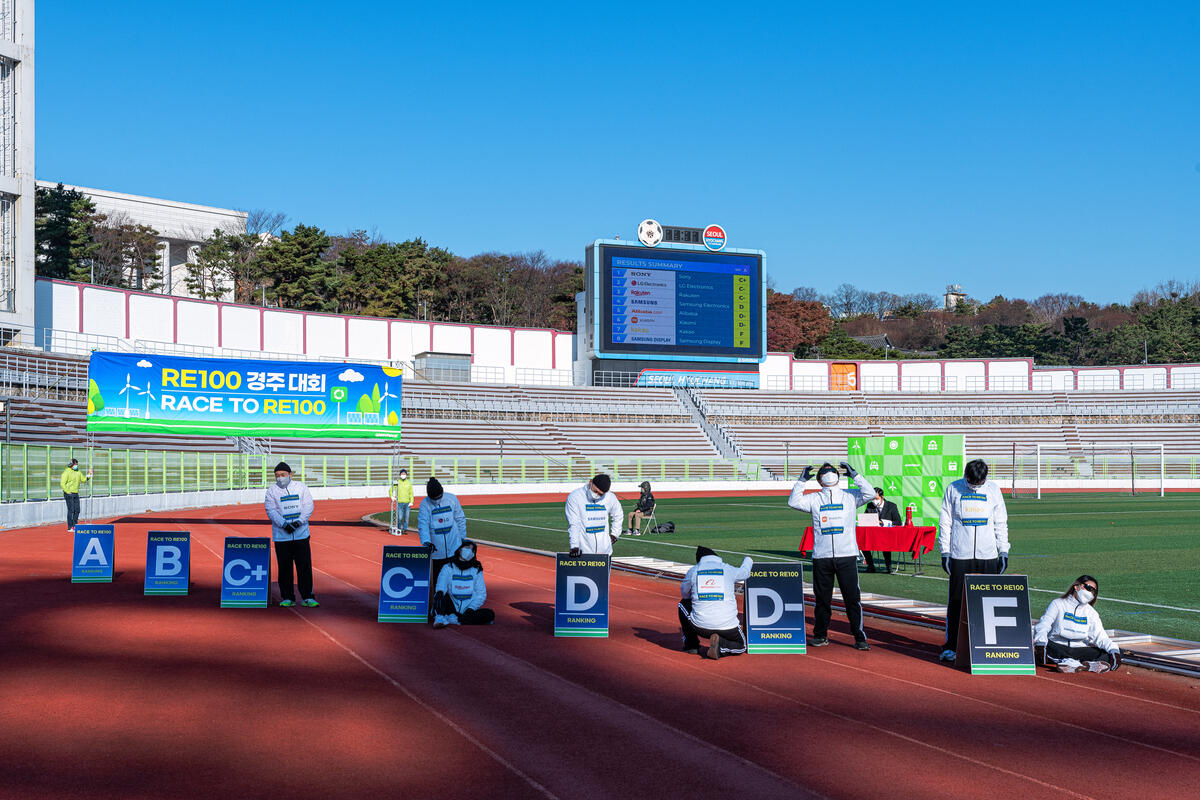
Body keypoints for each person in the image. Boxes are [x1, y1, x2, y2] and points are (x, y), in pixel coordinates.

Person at [788, 462, 874, 650]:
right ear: (819, 480)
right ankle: (820, 635)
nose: (828, 474)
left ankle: (860, 637)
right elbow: (793, 502)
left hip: (847, 556)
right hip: (822, 557)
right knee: (822, 600)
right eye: (825, 472)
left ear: (839, 476)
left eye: (831, 471)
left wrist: (856, 476)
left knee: (852, 599)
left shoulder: (850, 497)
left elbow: (870, 494)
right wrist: (802, 480)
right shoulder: (814, 499)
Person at [937, 458, 1010, 662]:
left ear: (985, 479)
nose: (975, 486)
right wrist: (945, 552)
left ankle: (990, 645)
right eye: (971, 482)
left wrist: (1003, 550)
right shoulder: (953, 489)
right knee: (957, 602)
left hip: (988, 554)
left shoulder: (993, 490)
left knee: (989, 601)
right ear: (966, 476)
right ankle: (951, 645)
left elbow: (1000, 522)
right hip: (961, 554)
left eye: (979, 483)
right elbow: (945, 522)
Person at [1033, 575, 1121, 673]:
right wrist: (1040, 644)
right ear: (1076, 586)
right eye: (1088, 588)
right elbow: (1044, 625)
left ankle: (1073, 663)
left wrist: (1114, 651)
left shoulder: (1091, 612)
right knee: (1043, 646)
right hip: (1057, 646)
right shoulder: (1058, 603)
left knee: (1113, 652)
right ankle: (1080, 663)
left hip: (1079, 650)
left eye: (1093, 591)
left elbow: (1101, 637)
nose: (1090, 593)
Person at [678, 546, 752, 659]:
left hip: (701, 628)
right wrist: (748, 560)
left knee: (683, 604)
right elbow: (745, 573)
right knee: (741, 646)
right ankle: (721, 646)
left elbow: (685, 594)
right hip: (728, 627)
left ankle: (691, 645)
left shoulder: (693, 571)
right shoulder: (728, 569)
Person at [264, 461, 318, 608]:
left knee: (304, 567)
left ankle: (307, 596)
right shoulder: (271, 491)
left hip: (301, 535)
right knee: (284, 568)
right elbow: (271, 510)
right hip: (282, 536)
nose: (280, 478)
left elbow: (308, 506)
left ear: (290, 475)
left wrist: (298, 522)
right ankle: (288, 597)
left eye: (282, 475)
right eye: (277, 476)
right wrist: (284, 524)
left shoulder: (301, 488)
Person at [418, 477, 467, 614]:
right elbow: (423, 524)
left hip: (454, 547)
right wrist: (426, 541)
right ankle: (437, 608)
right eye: (434, 498)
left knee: (453, 580)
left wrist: (462, 539)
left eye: (439, 497)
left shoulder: (452, 499)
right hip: (437, 550)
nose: (437, 500)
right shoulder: (425, 504)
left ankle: (454, 607)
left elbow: (460, 519)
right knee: (438, 581)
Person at [431, 540, 495, 628]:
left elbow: (481, 594)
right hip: (451, 605)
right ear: (459, 550)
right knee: (440, 594)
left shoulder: (476, 569)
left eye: (472, 550)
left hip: (468, 608)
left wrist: (471, 609)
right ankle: (440, 618)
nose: (470, 551)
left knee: (490, 614)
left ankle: (456, 619)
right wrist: (440, 592)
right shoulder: (448, 567)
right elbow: (440, 586)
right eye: (467, 548)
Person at [564, 473, 622, 557]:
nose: (597, 495)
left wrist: (615, 534)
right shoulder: (575, 497)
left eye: (601, 494)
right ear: (590, 482)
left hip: (605, 552)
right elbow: (574, 523)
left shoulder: (610, 497)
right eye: (595, 491)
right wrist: (574, 546)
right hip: (583, 552)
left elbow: (618, 515)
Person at [862, 487, 902, 573]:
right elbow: (865, 519)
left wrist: (882, 522)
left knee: (885, 542)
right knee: (863, 542)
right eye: (872, 498)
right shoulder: (870, 506)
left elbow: (898, 522)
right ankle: (871, 565)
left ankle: (889, 566)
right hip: (874, 534)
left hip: (888, 535)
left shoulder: (892, 506)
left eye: (876, 498)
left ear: (882, 497)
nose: (874, 501)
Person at [60, 458, 92, 533]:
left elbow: (84, 479)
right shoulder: (66, 472)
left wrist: (89, 474)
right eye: (75, 464)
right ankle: (70, 527)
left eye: (77, 464)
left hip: (76, 493)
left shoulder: (78, 472)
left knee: (77, 510)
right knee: (71, 510)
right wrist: (67, 491)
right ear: (71, 465)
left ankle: (75, 526)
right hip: (69, 493)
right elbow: (62, 483)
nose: (76, 466)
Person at [389, 468, 414, 534]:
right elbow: (391, 489)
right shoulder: (397, 482)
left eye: (404, 474)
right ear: (400, 475)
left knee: (406, 518)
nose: (403, 475)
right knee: (399, 517)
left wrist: (411, 501)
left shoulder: (409, 483)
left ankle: (405, 529)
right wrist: (391, 496)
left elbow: (411, 493)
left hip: (407, 503)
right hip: (399, 502)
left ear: (406, 475)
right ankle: (399, 529)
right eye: (402, 474)